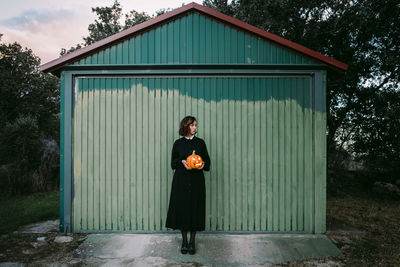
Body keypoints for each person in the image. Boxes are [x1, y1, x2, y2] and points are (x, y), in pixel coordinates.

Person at [165, 116, 211, 255]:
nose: (195, 128)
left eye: (195, 125)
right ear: (186, 126)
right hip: (181, 182)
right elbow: (173, 164)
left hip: (197, 182)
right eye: (192, 125)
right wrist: (183, 162)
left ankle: (192, 242)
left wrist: (202, 165)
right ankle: (184, 242)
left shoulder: (200, 143)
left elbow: (207, 164)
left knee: (195, 210)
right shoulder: (177, 144)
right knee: (183, 211)